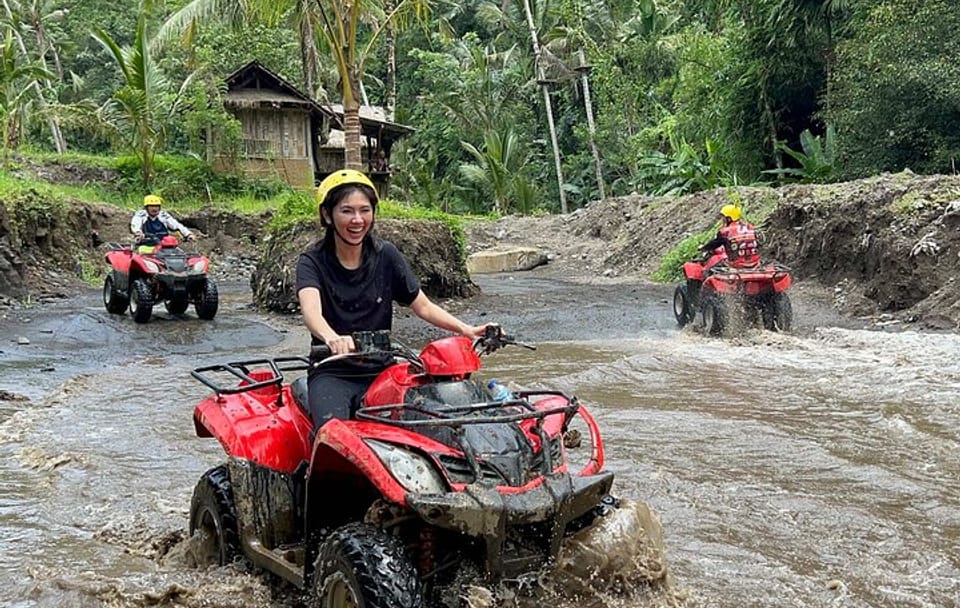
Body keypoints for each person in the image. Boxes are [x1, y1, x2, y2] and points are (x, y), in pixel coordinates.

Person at [296, 169, 493, 426]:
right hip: (333, 371)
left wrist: (467, 330)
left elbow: (422, 305)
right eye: (347, 211)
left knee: (431, 423)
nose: (357, 220)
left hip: (383, 369)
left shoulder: (386, 255)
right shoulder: (311, 262)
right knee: (332, 435)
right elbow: (312, 312)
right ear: (327, 215)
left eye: (364, 210)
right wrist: (333, 338)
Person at [698, 204, 760, 269]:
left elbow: (714, 244)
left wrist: (703, 248)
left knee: (711, 266)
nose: (723, 220)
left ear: (729, 218)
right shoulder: (751, 227)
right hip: (755, 262)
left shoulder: (725, 232)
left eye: (724, 218)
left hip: (736, 264)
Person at [130, 194, 196, 244]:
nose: (154, 209)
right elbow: (135, 225)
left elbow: (177, 225)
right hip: (146, 245)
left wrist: (188, 234)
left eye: (156, 206)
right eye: (151, 206)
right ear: (146, 207)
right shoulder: (141, 215)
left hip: (164, 245)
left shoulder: (163, 215)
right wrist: (138, 233)